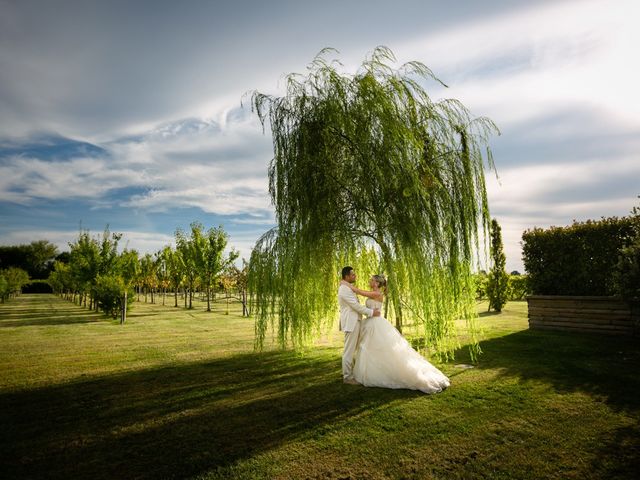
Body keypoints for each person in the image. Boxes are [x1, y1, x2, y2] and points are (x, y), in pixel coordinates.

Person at [342, 274, 450, 394]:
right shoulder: (374, 293)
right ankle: (375, 370)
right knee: (371, 349)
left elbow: (359, 291)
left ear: (377, 284)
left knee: (378, 348)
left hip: (376, 324)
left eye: (372, 280)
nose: (370, 281)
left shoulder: (377, 294)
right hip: (370, 322)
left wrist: (345, 284)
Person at [338, 266, 380, 384]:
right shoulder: (344, 289)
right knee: (349, 350)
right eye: (352, 274)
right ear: (346, 276)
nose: (355, 276)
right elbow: (355, 306)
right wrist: (372, 312)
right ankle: (347, 377)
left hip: (355, 321)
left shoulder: (347, 287)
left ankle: (349, 372)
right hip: (351, 322)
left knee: (353, 349)